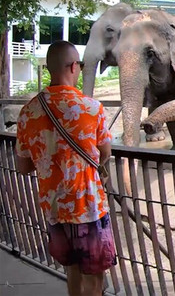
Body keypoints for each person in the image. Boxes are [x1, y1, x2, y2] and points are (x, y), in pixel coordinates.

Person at [15, 40, 116, 296]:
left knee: (71, 269)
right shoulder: (92, 108)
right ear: (73, 67)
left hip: (54, 208)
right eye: (80, 65)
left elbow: (24, 165)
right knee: (94, 278)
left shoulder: (28, 112)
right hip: (88, 206)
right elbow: (104, 153)